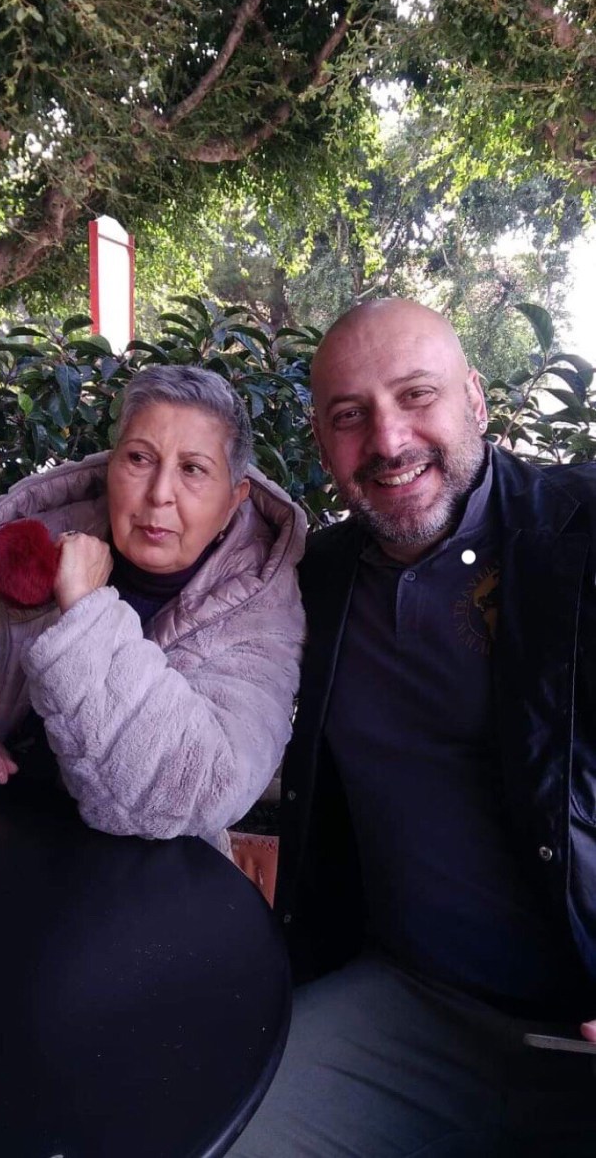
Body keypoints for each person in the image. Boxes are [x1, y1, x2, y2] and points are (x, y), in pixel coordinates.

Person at [231, 299, 596, 1157]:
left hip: (579, 1024)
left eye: (416, 395)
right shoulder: (312, 578)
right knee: (223, 1134)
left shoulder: (579, 534)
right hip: (406, 1005)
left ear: (474, 398)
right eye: (348, 415)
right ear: (321, 441)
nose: (388, 441)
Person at [0, 365, 306, 852]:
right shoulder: (33, 542)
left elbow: (203, 789)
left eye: (193, 469)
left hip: (140, 879)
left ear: (233, 500)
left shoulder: (261, 610)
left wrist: (86, 612)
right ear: (111, 467)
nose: (159, 494)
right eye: (139, 458)